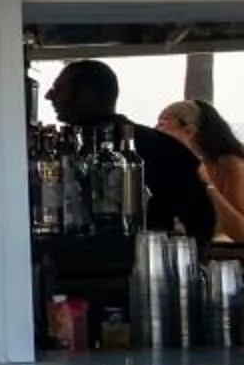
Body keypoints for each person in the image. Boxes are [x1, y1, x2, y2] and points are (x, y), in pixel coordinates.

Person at [48, 60, 213, 239]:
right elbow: (203, 224)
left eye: (59, 88)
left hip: (135, 260)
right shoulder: (164, 146)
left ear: (86, 95)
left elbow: (200, 219)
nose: (49, 95)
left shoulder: (157, 150)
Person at [157, 99, 244, 242]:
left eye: (162, 124)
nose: (156, 130)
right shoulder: (175, 166)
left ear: (189, 131)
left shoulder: (231, 166)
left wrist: (208, 185)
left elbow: (241, 233)